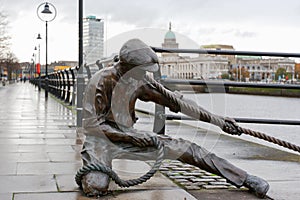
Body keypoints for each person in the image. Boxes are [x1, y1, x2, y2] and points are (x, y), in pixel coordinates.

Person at [79, 38, 269, 198]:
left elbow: (180, 103)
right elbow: (91, 127)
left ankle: (244, 178)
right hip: (101, 140)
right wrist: (132, 137)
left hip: (129, 136)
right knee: (96, 186)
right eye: (142, 70)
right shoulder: (101, 81)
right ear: (127, 66)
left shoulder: (140, 81)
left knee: (189, 149)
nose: (145, 74)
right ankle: (100, 166)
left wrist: (219, 120)